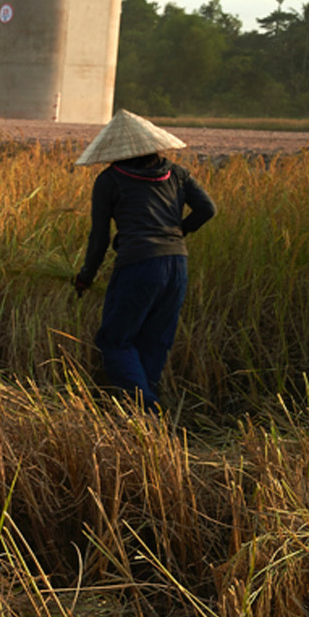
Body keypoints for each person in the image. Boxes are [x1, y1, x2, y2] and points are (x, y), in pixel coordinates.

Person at [72, 110, 216, 412]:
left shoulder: (110, 180)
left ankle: (148, 410)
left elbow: (99, 238)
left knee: (114, 341)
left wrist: (86, 276)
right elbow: (207, 209)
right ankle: (146, 422)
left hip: (138, 266)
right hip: (177, 265)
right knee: (154, 342)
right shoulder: (176, 173)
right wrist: (179, 232)